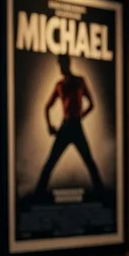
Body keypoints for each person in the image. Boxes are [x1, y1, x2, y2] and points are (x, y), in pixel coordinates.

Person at [32, 54, 106, 199]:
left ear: (67, 64)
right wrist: (49, 126)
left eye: (61, 63)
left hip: (75, 125)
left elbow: (91, 104)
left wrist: (80, 116)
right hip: (66, 126)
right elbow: (47, 107)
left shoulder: (79, 81)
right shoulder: (60, 85)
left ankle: (101, 192)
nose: (60, 67)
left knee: (89, 161)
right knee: (51, 161)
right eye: (59, 64)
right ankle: (38, 194)